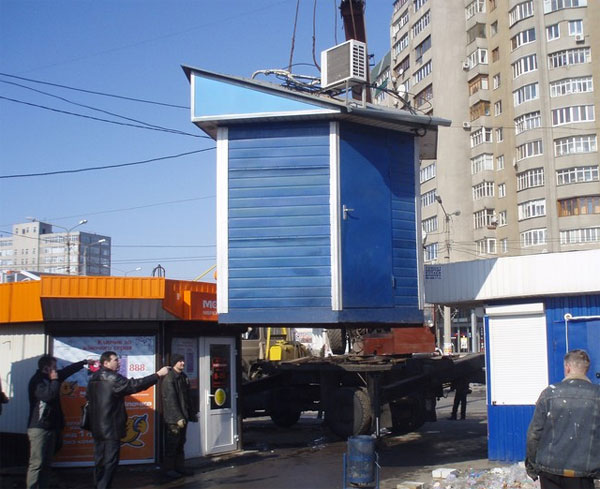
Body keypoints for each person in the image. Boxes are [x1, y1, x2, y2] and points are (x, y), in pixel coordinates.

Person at [87, 351, 170, 489]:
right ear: (106, 363)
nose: (118, 362)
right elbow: (133, 385)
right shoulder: (112, 377)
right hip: (110, 427)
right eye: (115, 360)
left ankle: (99, 485)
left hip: (97, 427)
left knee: (99, 461)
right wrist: (157, 375)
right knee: (110, 462)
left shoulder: (93, 378)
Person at [526, 349, 600, 489]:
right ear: (587, 369)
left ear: (567, 367)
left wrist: (532, 467)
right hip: (583, 473)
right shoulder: (597, 395)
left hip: (549, 471)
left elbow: (534, 434)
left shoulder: (549, 393)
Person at [27, 354, 90, 489]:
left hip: (52, 426)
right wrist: (55, 380)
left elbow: (67, 371)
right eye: (54, 367)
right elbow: (48, 396)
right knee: (37, 463)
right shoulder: (37, 381)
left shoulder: (53, 377)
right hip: (39, 427)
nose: (56, 370)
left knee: (47, 463)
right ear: (46, 368)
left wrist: (84, 362)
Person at [161, 353, 198, 479]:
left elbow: (187, 398)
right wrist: (178, 417)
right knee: (172, 444)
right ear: (174, 363)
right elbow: (170, 400)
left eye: (183, 360)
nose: (183, 363)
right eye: (180, 361)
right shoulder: (169, 379)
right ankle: (169, 469)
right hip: (173, 419)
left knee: (181, 443)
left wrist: (191, 414)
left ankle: (180, 467)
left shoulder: (183, 377)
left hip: (183, 416)